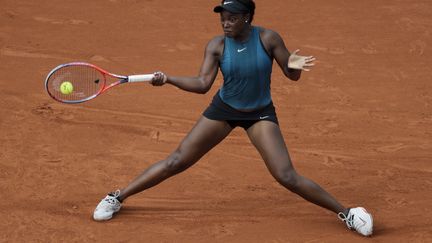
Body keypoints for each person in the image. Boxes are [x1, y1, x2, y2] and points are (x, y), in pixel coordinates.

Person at [93, 0, 373, 237]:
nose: (225, 24)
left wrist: (294, 64)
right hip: (224, 110)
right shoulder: (217, 45)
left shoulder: (268, 39)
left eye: (232, 19)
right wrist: (168, 79)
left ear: (247, 18)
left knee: (286, 175)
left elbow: (292, 75)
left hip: (259, 113)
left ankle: (348, 213)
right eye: (223, 19)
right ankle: (117, 196)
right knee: (176, 161)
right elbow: (203, 83)